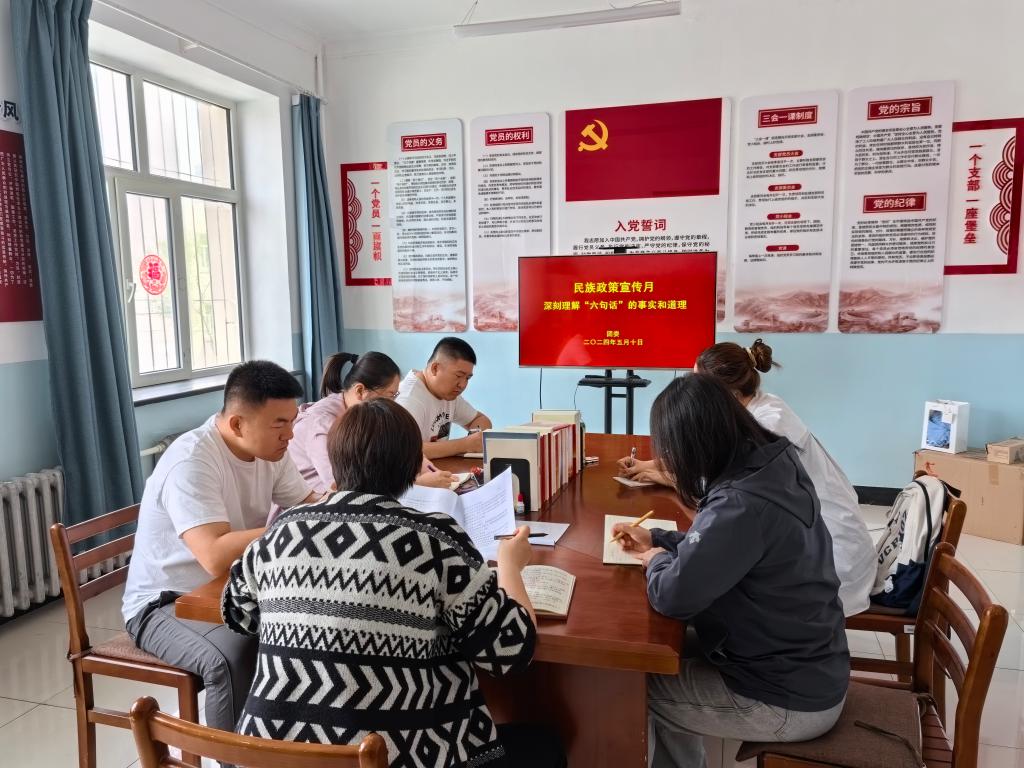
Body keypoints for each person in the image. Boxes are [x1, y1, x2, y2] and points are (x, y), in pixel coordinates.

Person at [223, 399, 565, 768]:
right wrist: (511, 565)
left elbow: (237, 613)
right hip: (395, 756)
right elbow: (510, 651)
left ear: (335, 460)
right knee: (545, 746)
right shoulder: (433, 538)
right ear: (413, 467)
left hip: (272, 757)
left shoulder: (282, 530)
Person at [612, 374, 849, 768]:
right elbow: (725, 548)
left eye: (670, 451)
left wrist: (655, 558)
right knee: (659, 653)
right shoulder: (772, 464)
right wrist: (658, 538)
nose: (667, 462)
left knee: (631, 684)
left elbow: (673, 596)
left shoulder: (741, 504)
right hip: (809, 664)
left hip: (786, 698)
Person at [122, 360, 320, 733]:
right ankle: (235, 756)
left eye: (293, 422)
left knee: (307, 628)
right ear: (237, 424)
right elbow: (213, 556)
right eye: (279, 424)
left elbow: (309, 504)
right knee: (229, 660)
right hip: (163, 604)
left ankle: (281, 740)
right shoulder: (193, 460)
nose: (290, 435)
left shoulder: (270, 452)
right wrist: (287, 526)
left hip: (230, 589)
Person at [619, 338, 876, 616]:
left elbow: (708, 490)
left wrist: (659, 555)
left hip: (833, 564)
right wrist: (657, 527)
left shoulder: (765, 431)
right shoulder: (760, 410)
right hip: (804, 558)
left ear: (724, 396)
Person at [289, 351, 454, 492]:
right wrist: (417, 484)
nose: (393, 403)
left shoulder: (360, 413)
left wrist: (419, 462)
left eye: (395, 395)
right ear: (360, 391)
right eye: (390, 395)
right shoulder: (322, 424)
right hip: (312, 507)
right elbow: (340, 487)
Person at [396, 337, 493, 460]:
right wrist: (465, 444)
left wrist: (475, 437)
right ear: (435, 368)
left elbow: (480, 419)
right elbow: (406, 450)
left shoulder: (448, 395)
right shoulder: (409, 399)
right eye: (458, 376)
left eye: (467, 378)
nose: (462, 385)